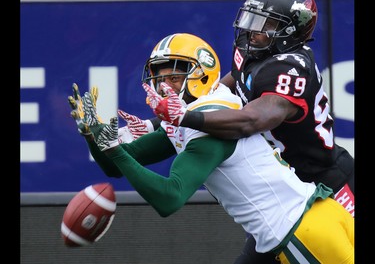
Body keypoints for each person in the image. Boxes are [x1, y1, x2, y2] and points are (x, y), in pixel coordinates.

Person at [69, 33, 354, 263]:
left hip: (302, 234)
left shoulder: (208, 121)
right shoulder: (196, 116)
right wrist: (93, 137)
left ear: (203, 76)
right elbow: (118, 164)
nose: (165, 87)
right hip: (312, 220)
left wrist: (114, 149)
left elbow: (169, 198)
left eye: (175, 78)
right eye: (160, 79)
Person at [143, 0, 355, 263]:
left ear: (292, 29)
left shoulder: (292, 67)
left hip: (328, 186)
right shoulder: (252, 52)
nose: (251, 30)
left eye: (264, 23)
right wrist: (155, 124)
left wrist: (184, 116)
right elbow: (222, 90)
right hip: (285, 200)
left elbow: (252, 119)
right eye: (250, 18)